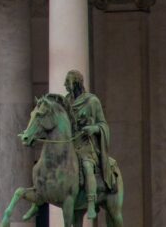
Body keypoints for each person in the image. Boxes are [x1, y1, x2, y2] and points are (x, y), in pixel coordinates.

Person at [63, 69, 115, 220]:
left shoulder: (92, 101)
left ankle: (91, 204)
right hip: (70, 146)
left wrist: (93, 128)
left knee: (87, 166)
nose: (65, 86)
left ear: (76, 83)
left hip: (86, 146)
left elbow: (103, 124)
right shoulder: (66, 102)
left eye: (68, 83)